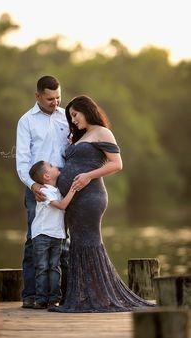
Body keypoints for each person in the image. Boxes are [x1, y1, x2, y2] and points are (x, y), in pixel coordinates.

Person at [49, 95, 155, 313]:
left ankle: (98, 297)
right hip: (73, 199)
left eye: (75, 115)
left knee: (88, 243)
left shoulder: (102, 132)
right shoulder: (82, 135)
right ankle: (86, 297)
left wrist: (88, 176)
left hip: (90, 197)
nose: (73, 120)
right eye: (70, 117)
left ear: (86, 110)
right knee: (78, 244)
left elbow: (117, 164)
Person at [16, 76, 69, 308]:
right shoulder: (26, 121)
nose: (55, 102)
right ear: (37, 96)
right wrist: (34, 186)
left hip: (64, 187)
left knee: (65, 242)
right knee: (34, 240)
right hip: (36, 188)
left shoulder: (67, 117)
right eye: (49, 98)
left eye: (58, 97)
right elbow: (22, 161)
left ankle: (64, 296)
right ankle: (31, 295)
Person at [28, 161, 76, 309]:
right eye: (51, 165)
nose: (55, 166)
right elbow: (61, 206)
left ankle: (54, 298)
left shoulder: (57, 191)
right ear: (47, 175)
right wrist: (73, 190)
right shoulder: (44, 191)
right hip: (42, 234)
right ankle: (41, 298)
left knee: (54, 267)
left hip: (57, 235)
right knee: (42, 267)